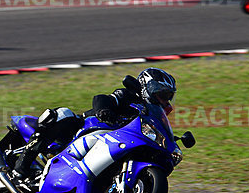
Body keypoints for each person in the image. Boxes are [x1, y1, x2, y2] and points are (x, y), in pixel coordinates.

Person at [12, 68, 177, 177]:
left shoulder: (150, 115)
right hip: (84, 129)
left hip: (112, 144)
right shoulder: (129, 97)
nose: (164, 100)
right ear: (147, 87)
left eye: (168, 96)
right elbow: (102, 98)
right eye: (161, 94)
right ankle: (22, 165)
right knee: (63, 114)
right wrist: (104, 111)